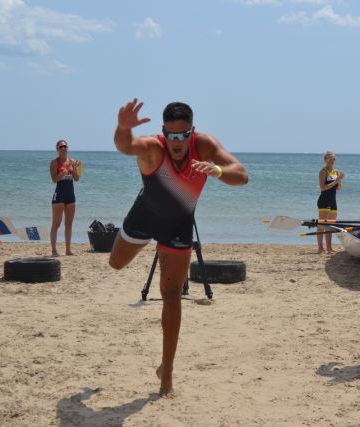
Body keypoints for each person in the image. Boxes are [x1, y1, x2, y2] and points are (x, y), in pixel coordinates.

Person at [109, 99, 248, 396]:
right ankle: (147, 243)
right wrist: (123, 127)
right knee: (116, 263)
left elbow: (242, 174)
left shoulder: (205, 145)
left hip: (179, 224)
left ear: (191, 132)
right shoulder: (153, 148)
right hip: (145, 215)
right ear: (163, 133)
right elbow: (126, 145)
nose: (177, 142)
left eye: (183, 135)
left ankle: (167, 374)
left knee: (172, 294)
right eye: (171, 135)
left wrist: (217, 171)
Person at [50, 139, 80, 257]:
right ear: (57, 149)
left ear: (68, 148)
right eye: (61, 147)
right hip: (59, 195)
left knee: (69, 224)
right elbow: (54, 179)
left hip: (70, 195)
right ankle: (54, 250)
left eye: (65, 146)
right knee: (56, 224)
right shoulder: (55, 162)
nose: (63, 148)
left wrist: (75, 168)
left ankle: (68, 250)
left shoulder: (72, 160)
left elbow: (76, 179)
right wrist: (65, 170)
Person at [316, 151, 345, 253]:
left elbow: (339, 188)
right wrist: (336, 181)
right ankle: (320, 248)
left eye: (333, 159)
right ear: (325, 160)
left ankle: (329, 247)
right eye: (329, 159)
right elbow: (323, 188)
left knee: (330, 226)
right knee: (322, 225)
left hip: (333, 201)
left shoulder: (336, 171)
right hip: (324, 201)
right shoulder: (323, 171)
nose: (332, 161)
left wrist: (340, 180)